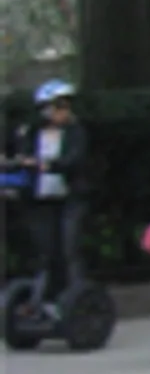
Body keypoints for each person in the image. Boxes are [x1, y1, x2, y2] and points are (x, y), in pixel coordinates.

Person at [24, 79, 86, 302]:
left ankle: (76, 299)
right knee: (46, 251)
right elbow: (24, 158)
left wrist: (49, 165)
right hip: (42, 198)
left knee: (70, 248)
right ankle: (44, 297)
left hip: (70, 197)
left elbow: (75, 159)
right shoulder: (32, 133)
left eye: (66, 106)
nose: (64, 111)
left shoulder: (75, 131)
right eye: (59, 106)